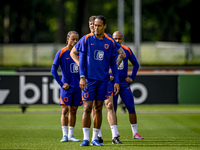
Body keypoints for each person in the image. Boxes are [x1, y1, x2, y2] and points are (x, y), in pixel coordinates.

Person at [70, 15, 123, 146]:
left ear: (104, 26)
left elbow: (113, 63)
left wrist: (116, 81)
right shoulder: (86, 39)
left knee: (99, 108)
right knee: (87, 108)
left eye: (99, 25)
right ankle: (85, 138)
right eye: (94, 25)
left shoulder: (110, 42)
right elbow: (80, 59)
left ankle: (95, 138)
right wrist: (82, 77)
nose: (96, 28)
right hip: (89, 80)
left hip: (103, 81)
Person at [88, 16, 124, 144]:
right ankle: (98, 135)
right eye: (91, 24)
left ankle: (115, 136)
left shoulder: (108, 39)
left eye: (96, 24)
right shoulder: (87, 39)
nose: (93, 27)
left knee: (109, 105)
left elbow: (122, 53)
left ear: (102, 26)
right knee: (93, 107)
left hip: (106, 79)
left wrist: (111, 68)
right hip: (91, 78)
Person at [112, 31, 144, 140]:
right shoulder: (108, 49)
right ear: (112, 38)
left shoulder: (127, 50)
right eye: (115, 38)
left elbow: (136, 64)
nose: (117, 41)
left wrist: (132, 77)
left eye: (119, 38)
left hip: (124, 84)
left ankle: (135, 133)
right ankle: (115, 133)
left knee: (131, 107)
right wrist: (107, 76)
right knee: (112, 109)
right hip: (112, 83)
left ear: (122, 39)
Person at [51, 31, 82, 142]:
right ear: (67, 39)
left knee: (73, 110)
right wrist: (61, 83)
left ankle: (71, 135)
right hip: (67, 88)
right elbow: (53, 69)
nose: (75, 41)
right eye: (73, 39)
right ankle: (64, 135)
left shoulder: (80, 53)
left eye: (77, 39)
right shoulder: (61, 52)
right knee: (65, 110)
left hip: (78, 88)